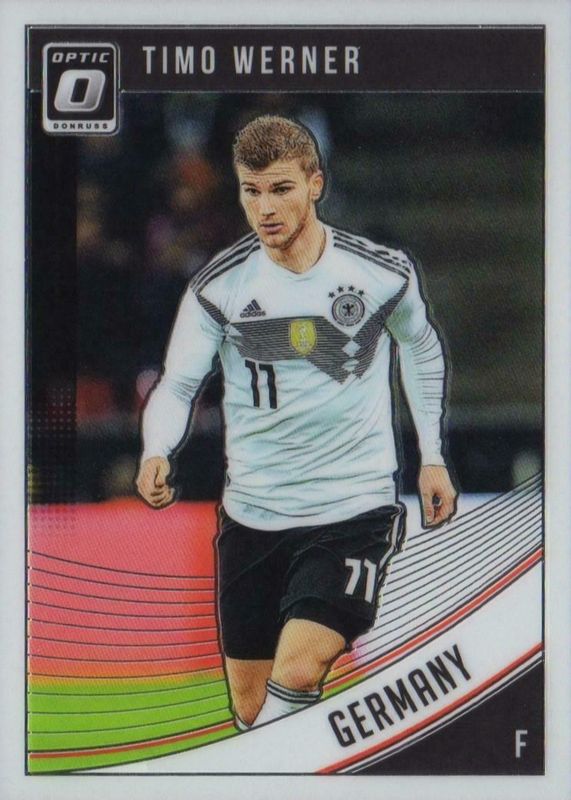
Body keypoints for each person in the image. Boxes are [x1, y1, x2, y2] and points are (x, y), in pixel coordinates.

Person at [136, 115, 457, 731]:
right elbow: (178, 383)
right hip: (253, 515)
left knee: (300, 670)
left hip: (352, 509)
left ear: (316, 184)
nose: (265, 208)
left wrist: (432, 455)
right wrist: (157, 450)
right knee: (252, 709)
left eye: (281, 189)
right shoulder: (218, 287)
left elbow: (420, 346)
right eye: (251, 191)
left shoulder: (379, 273)